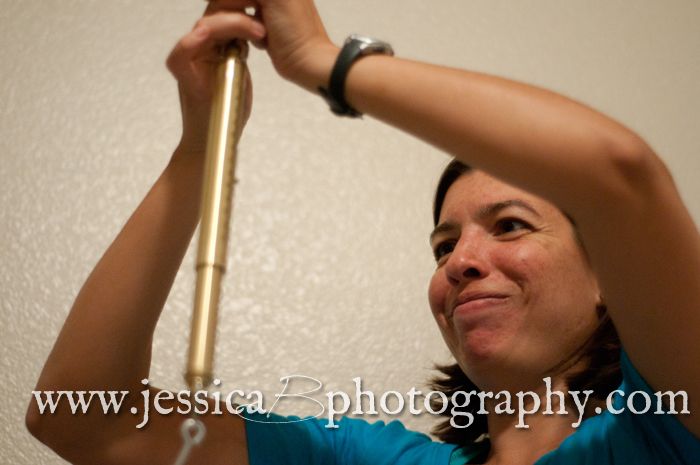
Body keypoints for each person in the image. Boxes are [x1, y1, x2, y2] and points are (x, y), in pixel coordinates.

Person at [26, 0, 700, 464]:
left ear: (607, 280)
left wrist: (325, 62)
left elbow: (622, 175)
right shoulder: (368, 457)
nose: (460, 261)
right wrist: (203, 150)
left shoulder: (663, 429)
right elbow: (79, 416)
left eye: (511, 225)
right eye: (443, 245)